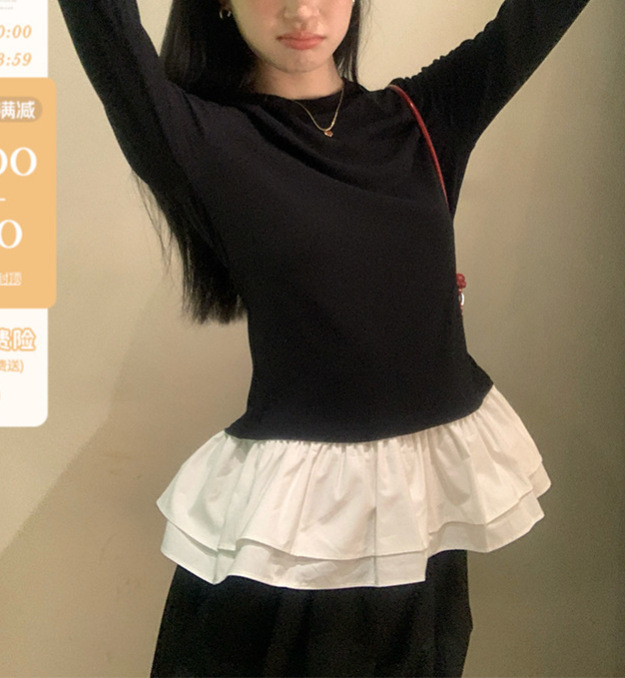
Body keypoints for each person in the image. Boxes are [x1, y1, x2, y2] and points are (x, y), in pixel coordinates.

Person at [56, 0, 591, 675]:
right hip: (287, 556)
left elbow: (536, 18)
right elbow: (104, 27)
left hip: (424, 533)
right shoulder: (203, 139)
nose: (301, 9)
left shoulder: (422, 120)